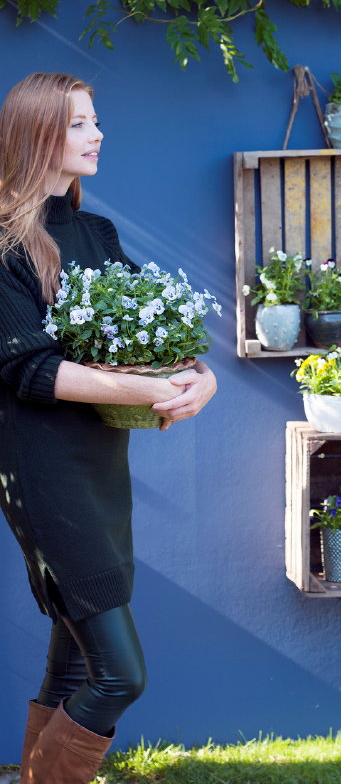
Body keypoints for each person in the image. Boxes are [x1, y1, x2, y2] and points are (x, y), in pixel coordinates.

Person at [0, 72, 217, 784]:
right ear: (39, 135)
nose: (98, 134)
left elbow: (155, 336)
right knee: (121, 675)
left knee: (73, 654)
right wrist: (143, 387)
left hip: (100, 463)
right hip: (43, 468)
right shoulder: (7, 242)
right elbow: (31, 370)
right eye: (81, 124)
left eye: (96, 121)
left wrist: (200, 377)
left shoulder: (96, 233)